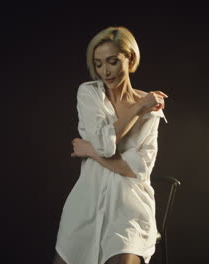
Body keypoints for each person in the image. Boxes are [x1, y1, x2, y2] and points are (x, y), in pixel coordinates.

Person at [53, 26, 168, 264]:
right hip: (87, 202)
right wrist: (138, 108)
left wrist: (91, 152)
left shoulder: (152, 108)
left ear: (130, 59)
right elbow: (106, 146)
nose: (105, 71)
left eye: (113, 61)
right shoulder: (89, 93)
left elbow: (138, 169)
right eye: (98, 64)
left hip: (129, 208)